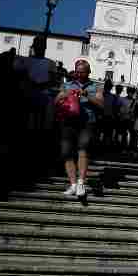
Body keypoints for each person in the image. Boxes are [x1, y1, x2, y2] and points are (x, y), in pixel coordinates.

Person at [54, 59, 104, 198]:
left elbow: (101, 104)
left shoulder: (97, 87)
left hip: (87, 121)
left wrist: (87, 95)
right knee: (66, 152)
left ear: (88, 72)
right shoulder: (67, 85)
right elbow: (56, 101)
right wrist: (64, 95)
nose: (79, 74)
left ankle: (81, 182)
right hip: (68, 121)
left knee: (83, 148)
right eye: (77, 71)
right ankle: (73, 184)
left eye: (82, 72)